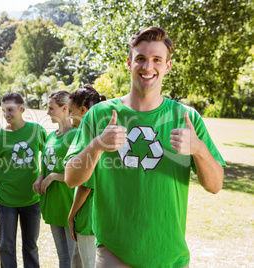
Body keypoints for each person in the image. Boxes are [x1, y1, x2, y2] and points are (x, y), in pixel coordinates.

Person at [65, 27, 225, 268]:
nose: (147, 66)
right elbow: (71, 178)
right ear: (129, 63)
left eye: (156, 60)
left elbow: (215, 185)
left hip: (169, 256)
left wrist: (199, 150)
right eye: (140, 58)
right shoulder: (99, 115)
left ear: (167, 66)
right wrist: (97, 146)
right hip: (114, 253)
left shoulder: (186, 117)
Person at [0, 93, 47, 268]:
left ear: (22, 109)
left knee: (31, 246)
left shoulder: (36, 131)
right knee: (7, 246)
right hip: (6, 201)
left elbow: (48, 155)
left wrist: (41, 176)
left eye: (10, 110)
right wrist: (3, 177)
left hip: (32, 199)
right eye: (3, 111)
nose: (6, 114)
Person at [33, 91, 77, 268]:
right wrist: (41, 177)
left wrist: (52, 177)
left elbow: (81, 173)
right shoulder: (51, 137)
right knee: (63, 258)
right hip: (53, 205)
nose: (48, 112)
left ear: (65, 108)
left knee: (74, 259)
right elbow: (46, 165)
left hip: (69, 205)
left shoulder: (76, 135)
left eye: (51, 108)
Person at [66, 85, 106, 268]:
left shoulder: (90, 134)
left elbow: (86, 183)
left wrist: (72, 214)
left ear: (83, 110)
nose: (68, 117)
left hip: (90, 218)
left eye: (71, 111)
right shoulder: (107, 130)